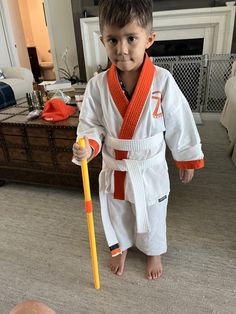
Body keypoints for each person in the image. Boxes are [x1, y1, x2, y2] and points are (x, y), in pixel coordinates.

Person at [72, 0, 204, 280]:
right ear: (102, 40)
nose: (121, 49)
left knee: (153, 209)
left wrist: (186, 156)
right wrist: (88, 145)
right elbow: (91, 124)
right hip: (116, 164)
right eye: (113, 40)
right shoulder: (96, 86)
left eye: (131, 38)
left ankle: (153, 250)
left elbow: (179, 120)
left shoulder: (163, 80)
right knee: (118, 208)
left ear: (149, 39)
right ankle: (121, 246)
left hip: (149, 165)